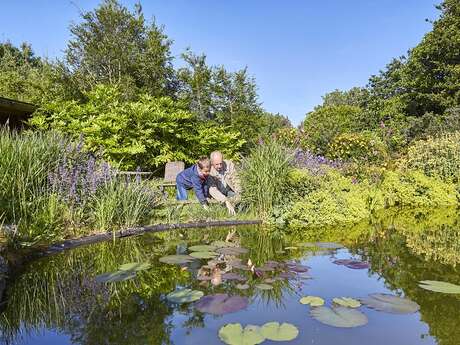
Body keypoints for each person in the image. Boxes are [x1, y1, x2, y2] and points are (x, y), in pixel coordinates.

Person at [207, 151, 241, 215]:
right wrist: (225, 200)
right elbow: (212, 190)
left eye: (221, 163)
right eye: (217, 164)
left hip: (228, 190)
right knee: (220, 207)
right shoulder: (208, 170)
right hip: (217, 194)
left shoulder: (229, 165)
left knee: (239, 201)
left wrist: (238, 192)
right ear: (211, 162)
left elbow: (236, 179)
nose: (219, 166)